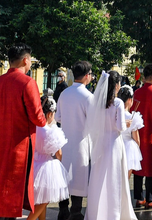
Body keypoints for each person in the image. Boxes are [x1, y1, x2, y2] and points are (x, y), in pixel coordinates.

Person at [0, 44, 47, 220]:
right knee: (15, 190)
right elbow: (38, 117)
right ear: (25, 60)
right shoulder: (28, 82)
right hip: (21, 144)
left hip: (0, 142)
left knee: (0, 185)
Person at [85, 71, 137, 220]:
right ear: (115, 85)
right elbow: (120, 127)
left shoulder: (97, 103)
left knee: (99, 177)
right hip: (114, 143)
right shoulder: (118, 103)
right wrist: (128, 124)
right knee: (114, 178)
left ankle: (97, 212)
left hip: (101, 142)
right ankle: (114, 213)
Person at [55, 61, 93, 220]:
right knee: (78, 177)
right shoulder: (88, 96)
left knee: (64, 177)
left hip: (63, 141)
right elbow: (93, 123)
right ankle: (76, 211)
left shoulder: (65, 93)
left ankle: (63, 210)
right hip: (81, 143)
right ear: (86, 76)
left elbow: (57, 117)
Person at [30, 96, 69, 220]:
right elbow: (59, 154)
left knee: (41, 198)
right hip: (47, 166)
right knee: (45, 200)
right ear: (50, 114)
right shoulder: (51, 131)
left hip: (35, 164)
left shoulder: (34, 128)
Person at [132, 64, 152, 209]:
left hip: (137, 133)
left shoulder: (137, 92)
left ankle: (139, 198)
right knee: (151, 165)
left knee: (138, 164)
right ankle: (150, 199)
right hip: (150, 132)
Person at [118, 85, 144, 176]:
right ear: (130, 100)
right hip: (128, 147)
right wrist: (136, 149)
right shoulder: (132, 117)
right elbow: (136, 139)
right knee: (125, 178)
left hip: (115, 145)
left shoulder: (114, 115)